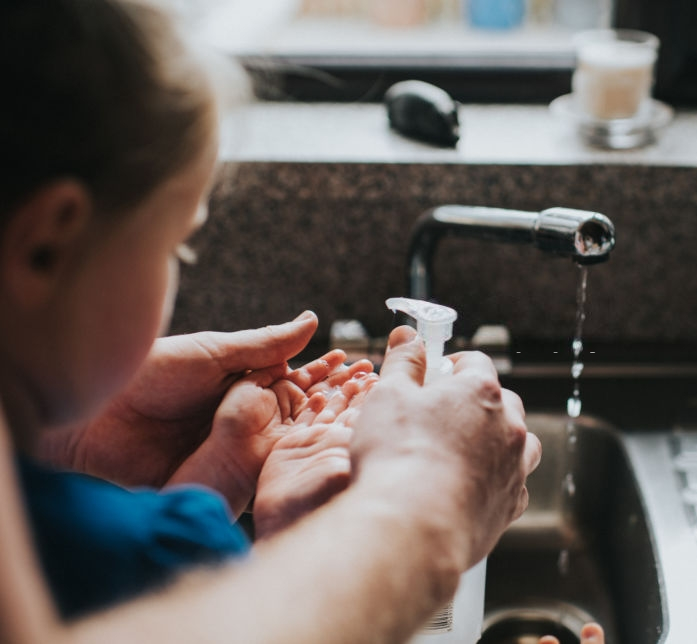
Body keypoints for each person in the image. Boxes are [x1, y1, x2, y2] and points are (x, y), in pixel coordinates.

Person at [0, 1, 547, 642]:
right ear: (44, 247)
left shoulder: (93, 543)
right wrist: (431, 506)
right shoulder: (118, 553)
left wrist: (82, 434)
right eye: (175, 244)